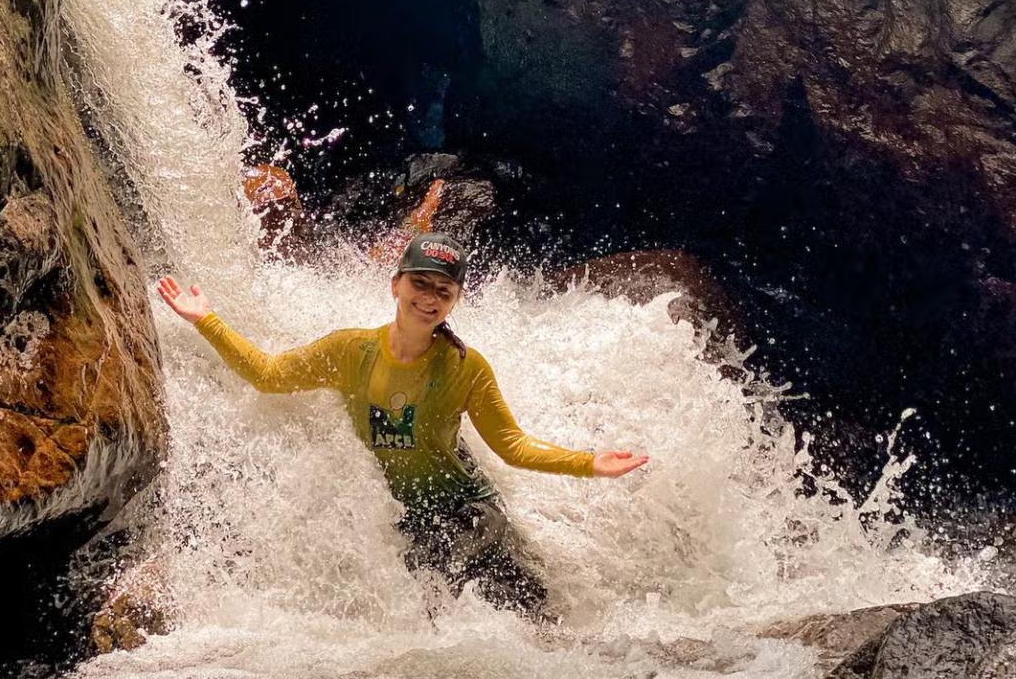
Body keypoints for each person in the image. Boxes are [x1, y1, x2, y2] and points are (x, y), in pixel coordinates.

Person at [156, 232, 648, 619]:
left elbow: (513, 447)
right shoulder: (351, 351)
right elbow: (267, 375)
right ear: (396, 284)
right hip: (407, 517)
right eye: (420, 284)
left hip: (470, 512)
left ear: (454, 300)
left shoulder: (465, 367)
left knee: (514, 622)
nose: (429, 298)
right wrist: (205, 319)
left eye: (443, 290)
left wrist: (590, 464)